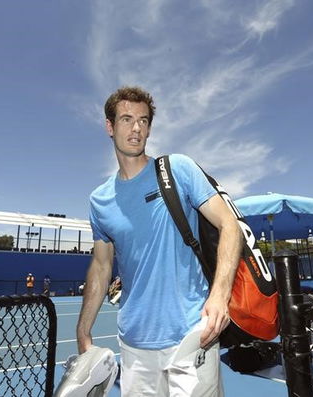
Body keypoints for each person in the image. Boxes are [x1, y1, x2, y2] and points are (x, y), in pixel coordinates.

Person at [76, 86, 242, 397]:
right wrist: (83, 330)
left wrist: (220, 296)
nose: (136, 128)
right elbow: (101, 267)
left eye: (143, 120)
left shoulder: (177, 169)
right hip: (134, 344)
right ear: (109, 127)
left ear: (150, 127)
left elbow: (229, 224)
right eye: (126, 119)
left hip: (192, 333)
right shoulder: (99, 200)